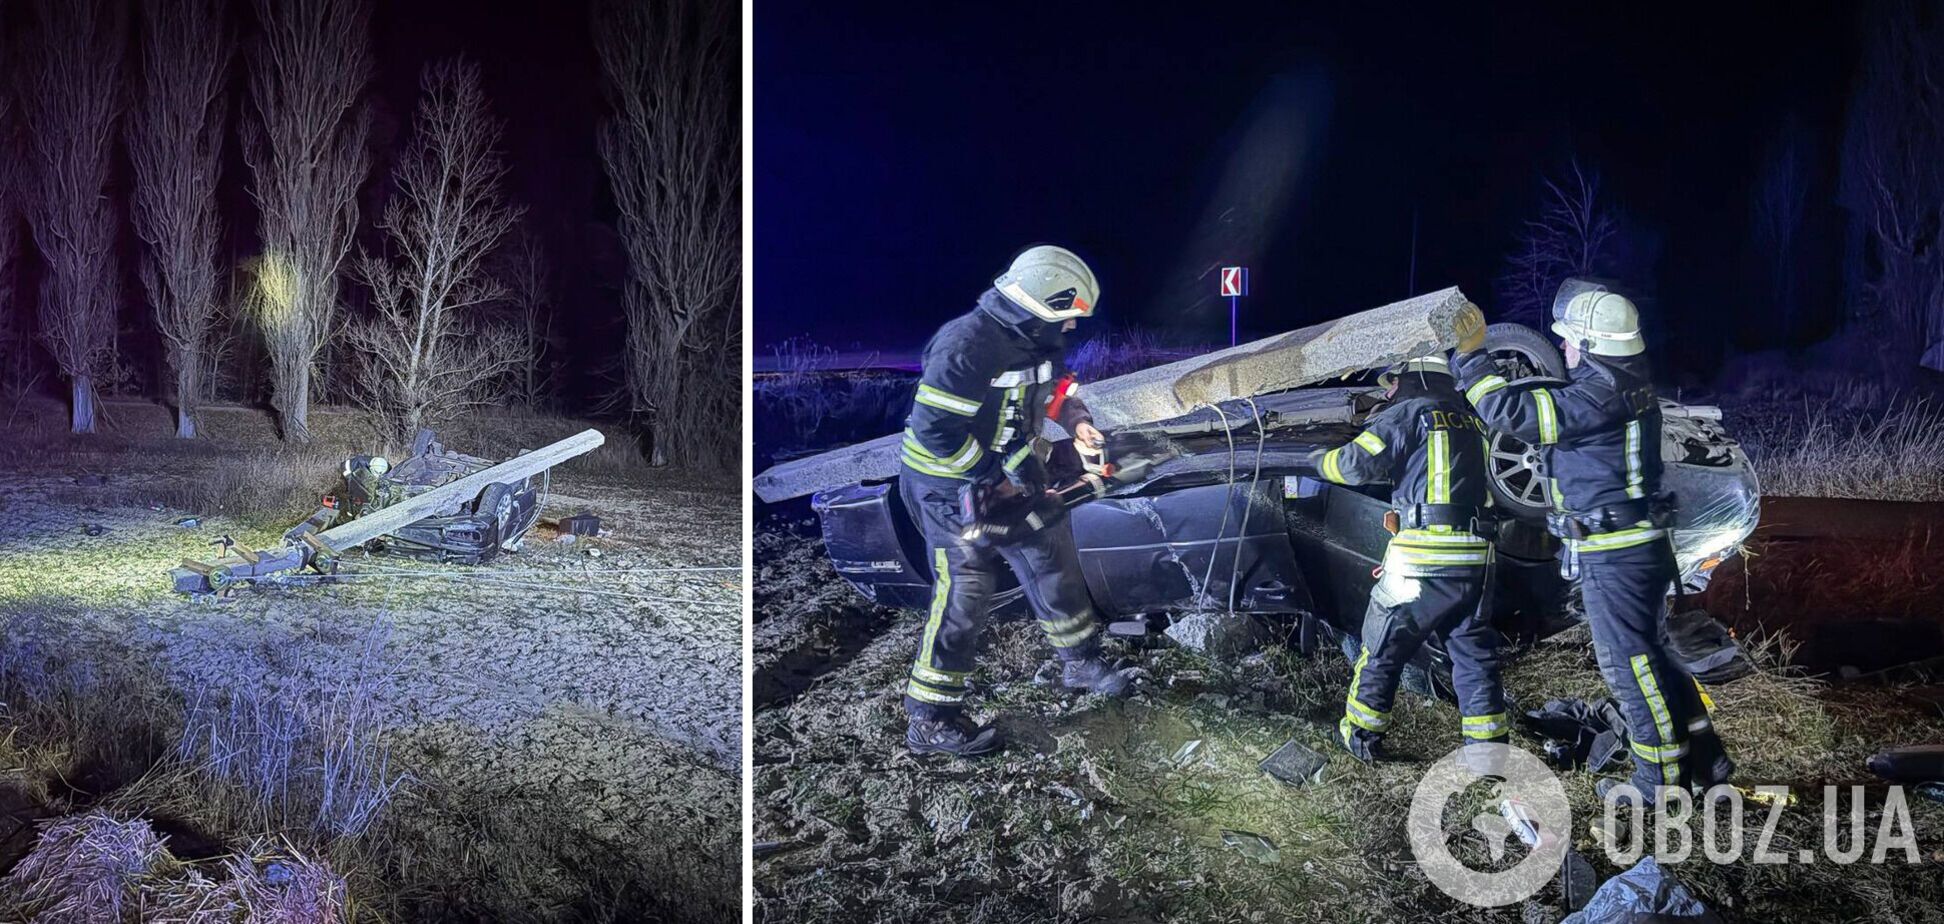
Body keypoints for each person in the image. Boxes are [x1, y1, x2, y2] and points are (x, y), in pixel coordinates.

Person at [1450, 286, 1733, 801]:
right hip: (1634, 546)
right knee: (1655, 656)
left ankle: (1658, 782)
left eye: (1568, 341)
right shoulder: (1623, 383)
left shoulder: (1597, 394)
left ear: (1589, 342)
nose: (1563, 350)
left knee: (1631, 668)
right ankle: (1705, 760)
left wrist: (1471, 355)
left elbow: (1511, 414)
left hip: (1617, 553)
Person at [898, 244, 1135, 758]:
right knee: (966, 587)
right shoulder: (966, 344)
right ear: (1040, 305)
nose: (1072, 329)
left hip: (1009, 474)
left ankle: (1078, 661)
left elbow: (1056, 392)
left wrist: (1078, 423)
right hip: (945, 485)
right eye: (1068, 318)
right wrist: (989, 477)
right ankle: (930, 717)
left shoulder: (1036, 340)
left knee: (1051, 554)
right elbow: (936, 430)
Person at [1309, 353, 1509, 763]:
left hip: (1421, 561)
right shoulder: (1474, 422)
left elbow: (1351, 466)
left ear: (1415, 378)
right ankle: (1489, 757)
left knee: (1382, 647)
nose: (1389, 390)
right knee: (1473, 657)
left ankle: (1361, 738)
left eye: (1394, 382)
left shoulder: (1409, 414)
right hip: (1477, 561)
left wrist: (1314, 459)